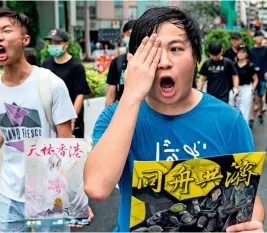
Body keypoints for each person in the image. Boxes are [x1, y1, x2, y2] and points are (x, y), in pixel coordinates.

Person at [83, 6, 264, 232]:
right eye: (151, 52)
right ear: (134, 62)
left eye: (176, 48)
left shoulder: (229, 121)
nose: (164, 62)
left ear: (196, 56)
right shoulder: (115, 117)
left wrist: (252, 224)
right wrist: (130, 94)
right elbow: (97, 187)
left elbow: (248, 198)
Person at [0, 8, 92, 232]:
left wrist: (76, 198)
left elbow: (65, 142)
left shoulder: (50, 84)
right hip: (9, 198)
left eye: (6, 30)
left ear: (24, 39)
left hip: (49, 191)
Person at [42, 29, 91, 138]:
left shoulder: (76, 67)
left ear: (66, 45)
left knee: (70, 152)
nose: (53, 46)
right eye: (51, 43)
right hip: (50, 121)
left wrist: (72, 120)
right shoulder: (45, 65)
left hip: (71, 122)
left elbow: (80, 95)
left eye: (57, 43)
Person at [105, 20, 136, 106]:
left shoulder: (149, 59)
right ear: (123, 36)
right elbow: (111, 94)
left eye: (135, 34)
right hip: (122, 110)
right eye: (129, 34)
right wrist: (107, 116)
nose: (132, 37)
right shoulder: (117, 62)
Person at [229, 45, 258, 123]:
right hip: (236, 89)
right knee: (237, 109)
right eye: (239, 52)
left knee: (244, 110)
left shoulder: (250, 66)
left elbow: (255, 79)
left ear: (247, 54)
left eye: (243, 52)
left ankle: (244, 129)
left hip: (247, 88)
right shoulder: (233, 65)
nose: (240, 54)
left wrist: (252, 89)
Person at [249, 31, 267, 126]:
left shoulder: (265, 49)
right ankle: (251, 117)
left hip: (262, 76)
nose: (259, 38)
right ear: (254, 38)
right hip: (253, 77)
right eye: (258, 36)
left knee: (260, 97)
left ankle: (260, 113)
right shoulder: (251, 50)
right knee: (253, 97)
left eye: (261, 36)